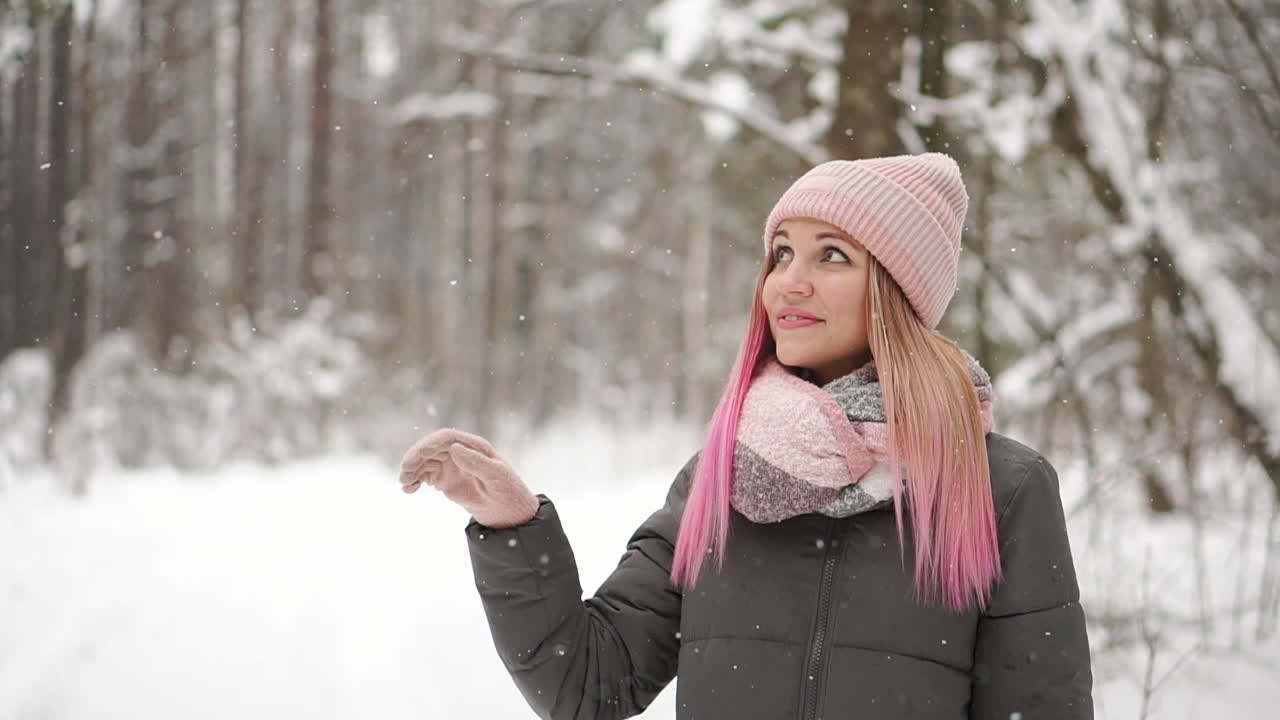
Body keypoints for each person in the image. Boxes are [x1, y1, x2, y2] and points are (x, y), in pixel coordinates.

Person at [400, 153, 1094, 720]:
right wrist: (512, 527)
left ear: (896, 291)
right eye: (781, 253)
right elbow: (589, 684)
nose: (788, 282)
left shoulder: (1000, 487)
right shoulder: (726, 475)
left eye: (832, 256)